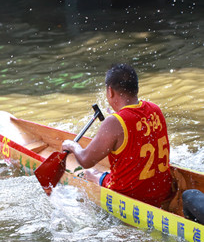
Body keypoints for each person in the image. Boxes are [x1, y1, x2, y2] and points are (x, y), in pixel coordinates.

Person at [61, 63, 173, 207]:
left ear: (110, 91)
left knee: (89, 173)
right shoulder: (155, 109)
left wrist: (72, 145)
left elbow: (85, 160)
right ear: (136, 88)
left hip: (130, 197)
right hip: (162, 192)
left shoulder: (114, 122)